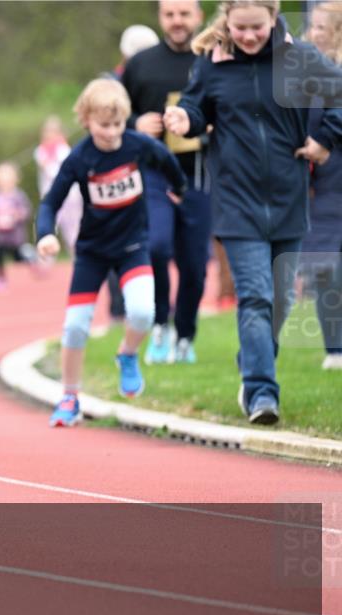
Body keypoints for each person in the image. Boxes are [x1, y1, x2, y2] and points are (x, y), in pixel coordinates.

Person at [164, 0, 342, 423]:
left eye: (256, 28)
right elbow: (196, 107)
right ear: (226, 19)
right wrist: (183, 119)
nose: (246, 36)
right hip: (236, 200)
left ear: (273, 17)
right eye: (238, 27)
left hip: (288, 199)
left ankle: (252, 360)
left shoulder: (300, 58)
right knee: (257, 297)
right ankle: (262, 392)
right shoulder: (212, 64)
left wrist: (325, 139)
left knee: (279, 300)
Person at [37, 79, 187, 427]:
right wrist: (46, 234)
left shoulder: (137, 145)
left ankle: (128, 354)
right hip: (93, 252)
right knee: (74, 327)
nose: (111, 132)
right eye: (104, 125)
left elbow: (167, 161)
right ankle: (70, 396)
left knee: (142, 313)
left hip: (133, 246)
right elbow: (50, 202)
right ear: (86, 120)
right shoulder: (80, 157)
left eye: (118, 124)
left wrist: (178, 188)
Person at [122, 0, 212, 365]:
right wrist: (135, 124)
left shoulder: (213, 61)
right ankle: (160, 322)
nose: (177, 22)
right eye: (170, 15)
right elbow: (113, 111)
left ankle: (185, 334)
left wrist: (209, 127)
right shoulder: (141, 63)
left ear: (199, 17)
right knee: (157, 246)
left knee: (194, 263)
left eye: (184, 14)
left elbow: (232, 109)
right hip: (154, 170)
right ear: (160, 17)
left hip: (198, 172)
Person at [301, 0, 342, 369]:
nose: (310, 34)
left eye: (318, 28)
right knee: (326, 266)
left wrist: (327, 142)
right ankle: (336, 348)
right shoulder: (307, 76)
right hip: (323, 184)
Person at [0, 161, 34, 291]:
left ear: (16, 179)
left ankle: (30, 256)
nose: (4, 179)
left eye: (7, 176)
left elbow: (26, 211)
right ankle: (1, 279)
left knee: (18, 258)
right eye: (1, 176)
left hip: (16, 236)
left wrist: (16, 216)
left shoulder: (18, 195)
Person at [34, 116, 83, 254]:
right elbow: (47, 169)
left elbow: (59, 173)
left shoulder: (64, 150)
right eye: (47, 131)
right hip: (50, 197)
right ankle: (44, 259)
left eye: (53, 131)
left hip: (70, 197)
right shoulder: (40, 151)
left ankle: (77, 256)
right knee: (47, 226)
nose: (50, 135)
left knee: (73, 229)